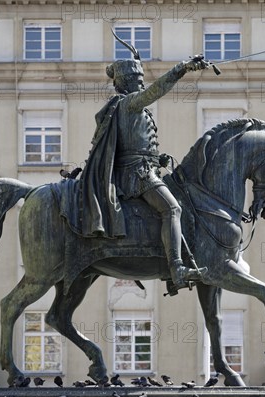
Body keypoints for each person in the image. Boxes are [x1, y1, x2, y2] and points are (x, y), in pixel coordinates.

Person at [80, 52, 208, 289]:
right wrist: (182, 68)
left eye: (141, 81)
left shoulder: (125, 107)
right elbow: (155, 91)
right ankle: (177, 269)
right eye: (137, 81)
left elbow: (132, 144)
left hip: (144, 167)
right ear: (126, 82)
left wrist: (157, 158)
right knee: (172, 208)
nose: (141, 84)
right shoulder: (128, 103)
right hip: (136, 175)